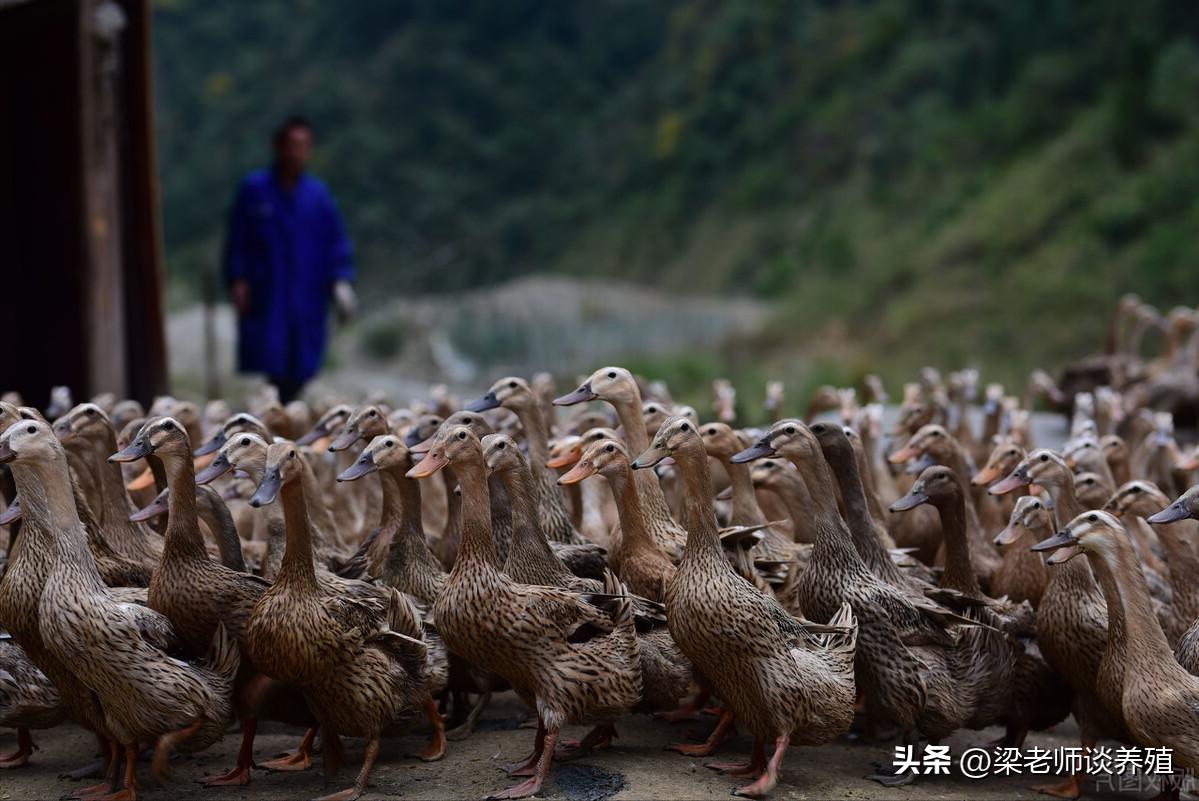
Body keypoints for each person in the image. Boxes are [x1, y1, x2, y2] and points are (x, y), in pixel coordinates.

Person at [224, 115, 356, 403]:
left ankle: (290, 410)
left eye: (303, 146)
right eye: (292, 145)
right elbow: (237, 240)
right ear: (278, 147)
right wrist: (238, 279)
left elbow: (336, 241)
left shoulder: (317, 196)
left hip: (307, 293)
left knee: (302, 363)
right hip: (268, 292)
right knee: (271, 358)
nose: (297, 152)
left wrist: (341, 280)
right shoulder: (255, 190)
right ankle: (276, 412)